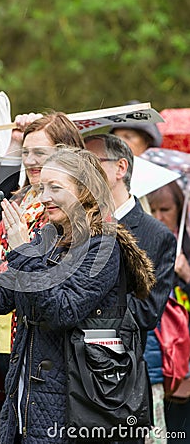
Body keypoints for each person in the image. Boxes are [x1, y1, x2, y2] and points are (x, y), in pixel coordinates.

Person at [0, 147, 156, 444]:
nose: (44, 196)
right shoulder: (44, 240)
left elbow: (62, 310)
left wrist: (22, 248)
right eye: (41, 187)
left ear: (85, 191)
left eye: (55, 188)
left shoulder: (102, 247)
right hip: (28, 403)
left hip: (78, 411)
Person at [0, 111, 86, 428]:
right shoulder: (23, 197)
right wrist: (13, 142)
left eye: (40, 153)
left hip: (47, 340)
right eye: (26, 153)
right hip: (4, 331)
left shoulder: (68, 208)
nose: (30, 161)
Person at [84, 134, 177, 444]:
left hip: (117, 378)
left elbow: (145, 312)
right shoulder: (76, 225)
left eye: (92, 163)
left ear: (120, 167)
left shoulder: (155, 234)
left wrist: (83, 301)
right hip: (69, 376)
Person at [147, 181, 190, 444]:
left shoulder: (186, 243)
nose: (159, 217)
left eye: (166, 209)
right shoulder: (144, 239)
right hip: (157, 348)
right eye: (153, 210)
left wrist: (185, 272)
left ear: (179, 209)